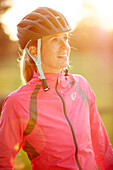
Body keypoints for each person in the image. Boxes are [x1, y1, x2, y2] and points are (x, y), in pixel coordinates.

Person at [0, 7, 113, 170]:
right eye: (54, 40)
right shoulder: (18, 103)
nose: (65, 46)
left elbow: (102, 148)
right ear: (34, 51)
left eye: (65, 38)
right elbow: (3, 161)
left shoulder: (81, 86)